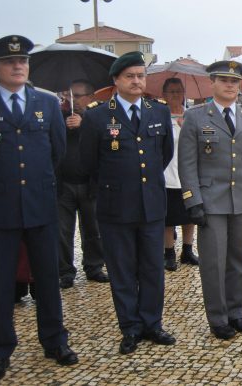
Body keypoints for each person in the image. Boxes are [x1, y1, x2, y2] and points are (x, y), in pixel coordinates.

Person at [80, 51, 176, 354]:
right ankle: (130, 327)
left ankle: (152, 324)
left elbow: (165, 154)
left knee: (152, 268)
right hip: (115, 206)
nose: (136, 81)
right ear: (116, 80)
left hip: (151, 204)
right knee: (121, 270)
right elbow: (89, 163)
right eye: (130, 76)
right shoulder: (97, 116)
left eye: (140, 76)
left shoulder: (158, 111)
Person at [0, 35, 78, 383]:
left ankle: (54, 340)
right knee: (1, 283)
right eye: (9, 61)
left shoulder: (46, 102)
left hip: (41, 205)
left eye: (23, 61)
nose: (18, 66)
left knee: (47, 279)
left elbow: (57, 152)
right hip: (0, 210)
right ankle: (0, 350)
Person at [179, 61, 242, 340]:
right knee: (213, 263)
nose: (230, 85)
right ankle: (218, 318)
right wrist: (192, 200)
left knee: (238, 260)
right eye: (224, 80)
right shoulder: (195, 117)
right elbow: (187, 163)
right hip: (210, 201)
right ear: (212, 83)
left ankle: (236, 312)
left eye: (234, 81)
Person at [57, 79, 108, 288]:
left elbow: (106, 140)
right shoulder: (59, 115)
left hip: (90, 183)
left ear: (90, 97)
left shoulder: (97, 116)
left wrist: (83, 123)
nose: (73, 100)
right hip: (64, 183)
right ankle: (65, 271)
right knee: (63, 231)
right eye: (70, 96)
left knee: (93, 229)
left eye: (78, 96)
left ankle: (94, 266)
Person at [161, 78, 199, 271]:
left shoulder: (191, 115)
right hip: (167, 173)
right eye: (172, 91)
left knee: (190, 215)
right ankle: (168, 252)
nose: (176, 95)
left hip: (188, 173)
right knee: (168, 216)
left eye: (179, 91)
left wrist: (187, 128)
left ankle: (187, 249)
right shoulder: (160, 116)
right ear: (164, 95)